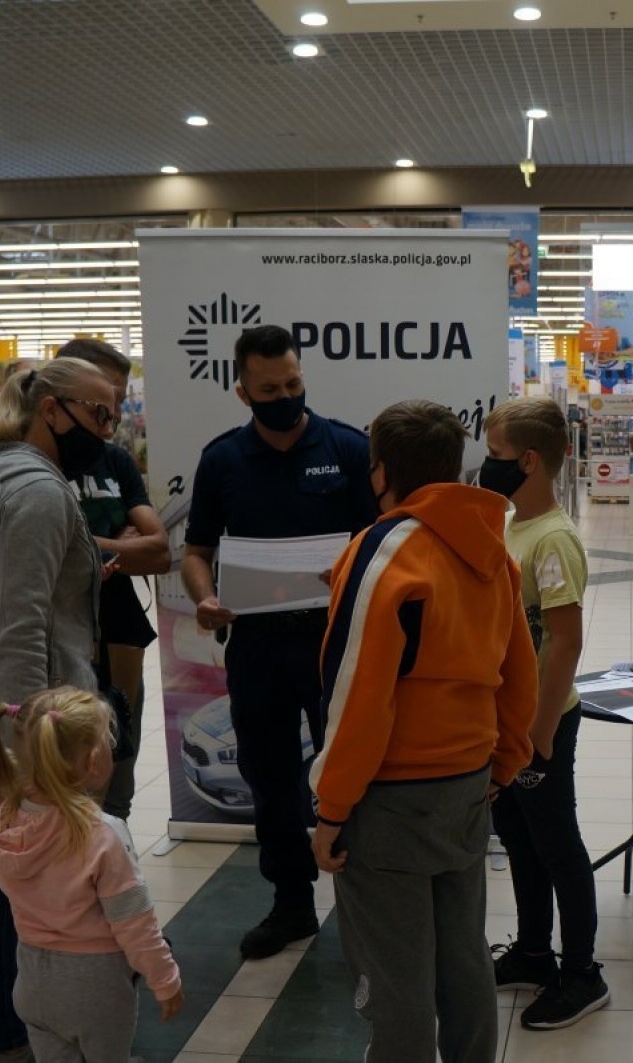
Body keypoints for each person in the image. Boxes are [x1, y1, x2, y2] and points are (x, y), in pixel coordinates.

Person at [310, 399, 537, 1063]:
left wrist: (331, 809)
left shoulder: (381, 551)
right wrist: (504, 764)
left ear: (381, 471)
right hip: (467, 784)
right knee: (465, 961)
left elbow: (357, 697)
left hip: (388, 798)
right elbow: (517, 675)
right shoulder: (491, 551)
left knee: (396, 981)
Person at [0, 356, 118, 1063]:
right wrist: (36, 738)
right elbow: (21, 626)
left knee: (1, 872)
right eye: (98, 414)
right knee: (8, 885)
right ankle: (10, 1038)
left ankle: (8, 1032)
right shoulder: (37, 492)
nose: (107, 430)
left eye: (113, 415)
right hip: (23, 723)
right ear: (51, 410)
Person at [180, 324, 378, 960]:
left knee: (347, 773)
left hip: (334, 644)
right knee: (269, 779)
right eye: (269, 390)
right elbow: (195, 551)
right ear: (243, 393)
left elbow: (381, 542)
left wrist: (351, 571)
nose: (285, 397)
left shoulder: (349, 449)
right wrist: (203, 598)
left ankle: (365, 908)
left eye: (293, 383)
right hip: (258, 646)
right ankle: (291, 904)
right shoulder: (222, 461)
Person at [479, 397, 608, 1029]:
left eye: (495, 454)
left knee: (558, 847)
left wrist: (542, 731)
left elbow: (566, 641)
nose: (486, 465)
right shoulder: (511, 524)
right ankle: (533, 952)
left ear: (528, 461)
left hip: (541, 725)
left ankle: (582, 973)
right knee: (520, 842)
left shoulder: (553, 538)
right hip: (508, 724)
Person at [0, 687, 184, 1062]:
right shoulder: (102, 833)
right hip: (96, 986)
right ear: (93, 761)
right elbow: (134, 921)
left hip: (32, 978)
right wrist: (165, 978)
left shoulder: (4, 821)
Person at [54, 338, 171, 823]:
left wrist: (86, 544)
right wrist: (117, 543)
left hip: (121, 630)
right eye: (107, 401)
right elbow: (46, 553)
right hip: (58, 635)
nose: (116, 414)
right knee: (62, 774)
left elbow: (159, 551)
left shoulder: (115, 461)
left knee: (118, 768)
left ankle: (114, 852)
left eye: (121, 400)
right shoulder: (35, 463)